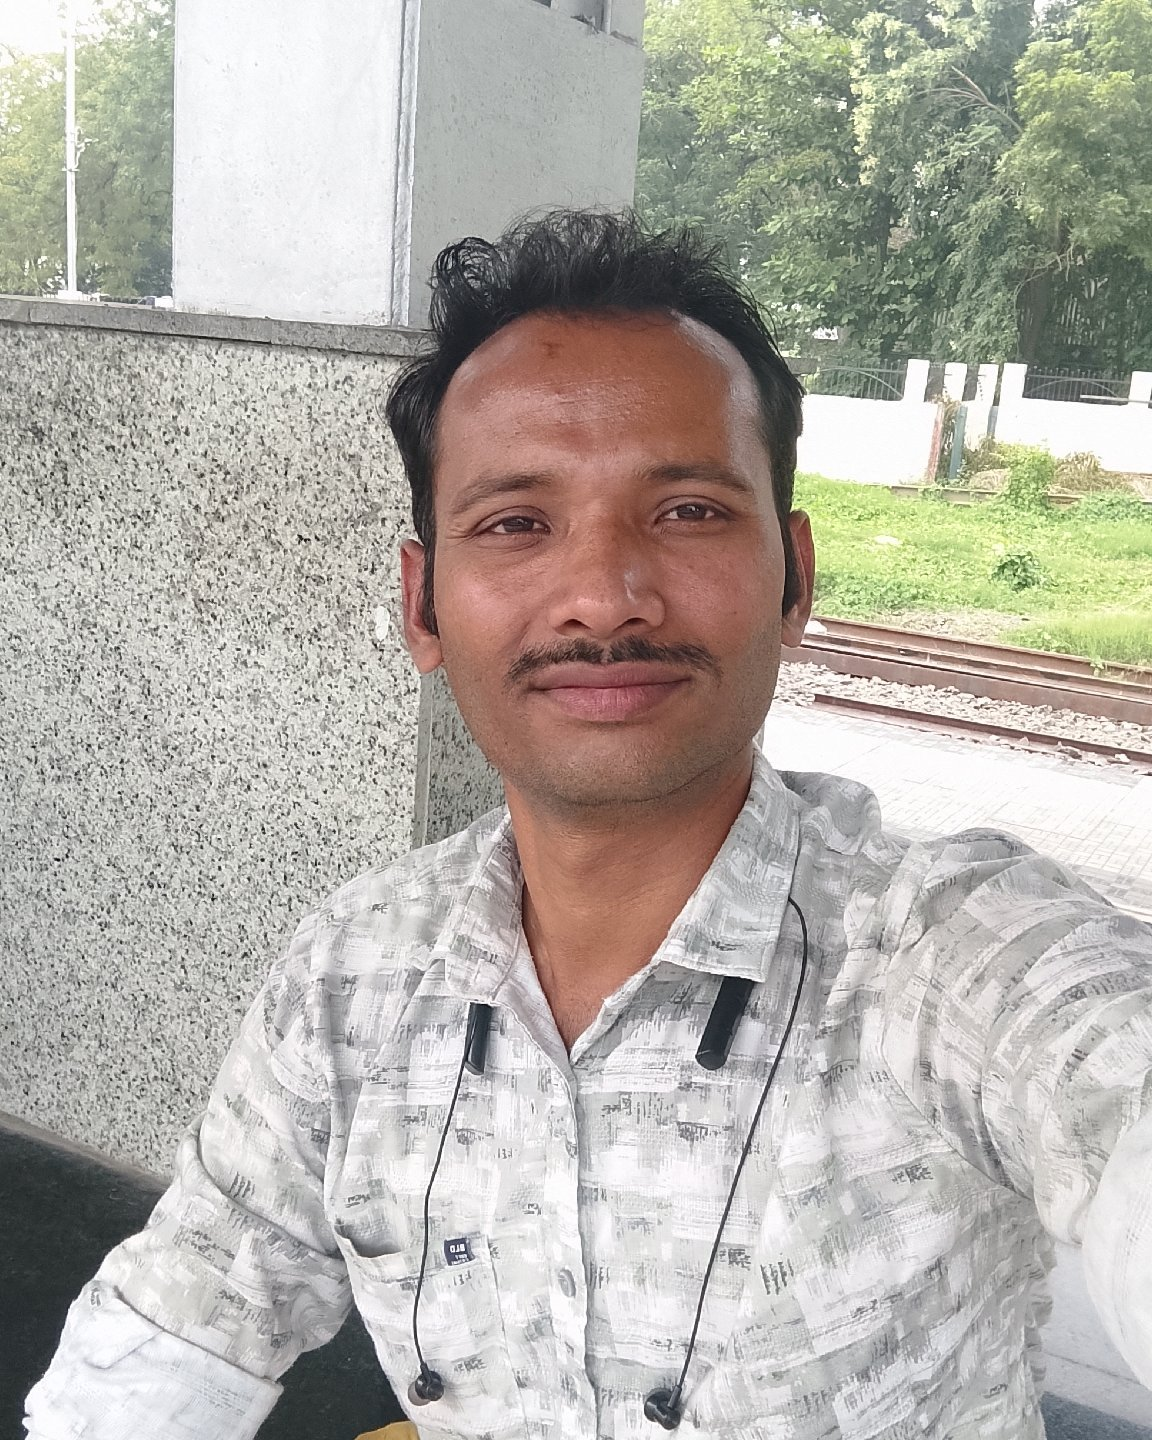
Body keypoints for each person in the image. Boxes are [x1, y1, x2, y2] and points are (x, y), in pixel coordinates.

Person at [25, 210, 1152, 1440]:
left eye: (689, 511)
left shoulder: (955, 959)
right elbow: (184, 1313)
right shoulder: (355, 975)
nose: (606, 597)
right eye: (517, 523)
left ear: (795, 578)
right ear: (423, 607)